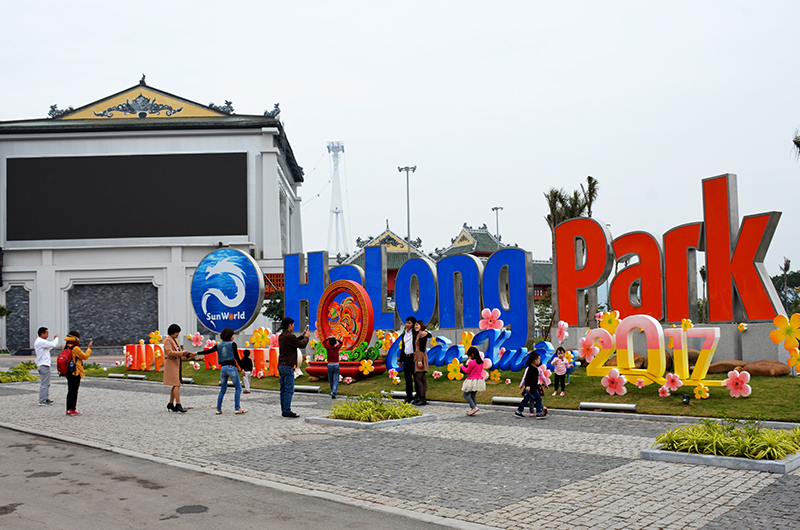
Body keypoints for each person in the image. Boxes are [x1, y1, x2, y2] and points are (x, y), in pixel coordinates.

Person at [202, 327, 247, 415]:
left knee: (222, 389)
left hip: (223, 368)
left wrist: (196, 353)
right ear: (230, 336)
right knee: (238, 387)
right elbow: (237, 358)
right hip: (232, 368)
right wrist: (242, 369)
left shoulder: (219, 345)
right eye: (233, 335)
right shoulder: (232, 344)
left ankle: (218, 408)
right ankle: (237, 407)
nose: (233, 336)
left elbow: (209, 352)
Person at [278, 317, 309, 418]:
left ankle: (284, 409)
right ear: (289, 325)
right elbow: (302, 345)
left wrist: (301, 336)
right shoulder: (289, 337)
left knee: (283, 389)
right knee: (289, 389)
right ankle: (287, 410)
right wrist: (306, 337)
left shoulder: (282, 336)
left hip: (281, 365)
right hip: (288, 366)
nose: (293, 327)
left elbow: (294, 341)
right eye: (293, 325)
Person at [163, 324, 196, 413]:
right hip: (171, 364)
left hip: (176, 364)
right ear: (172, 332)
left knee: (175, 384)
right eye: (176, 332)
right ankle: (178, 404)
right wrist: (182, 353)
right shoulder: (168, 341)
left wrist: (188, 354)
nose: (177, 334)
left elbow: (179, 352)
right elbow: (170, 353)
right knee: (177, 384)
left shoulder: (174, 340)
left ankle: (170, 403)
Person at [64, 331, 92, 416]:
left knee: (70, 391)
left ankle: (68, 409)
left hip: (68, 371)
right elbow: (84, 356)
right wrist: (89, 348)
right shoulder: (75, 348)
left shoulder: (66, 346)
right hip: (75, 372)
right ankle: (73, 409)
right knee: (74, 391)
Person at [516, 352, 547, 419]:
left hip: (532, 387)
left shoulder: (535, 369)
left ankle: (519, 411)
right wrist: (528, 385)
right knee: (538, 399)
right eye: (539, 360)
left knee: (526, 399)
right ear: (535, 361)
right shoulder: (531, 369)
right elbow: (527, 378)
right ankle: (539, 412)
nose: (539, 361)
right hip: (532, 388)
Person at [34, 327, 59, 406]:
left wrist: (54, 340)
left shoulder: (41, 342)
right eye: (47, 333)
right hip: (43, 365)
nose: (48, 335)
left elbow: (50, 346)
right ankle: (42, 400)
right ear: (42, 333)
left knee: (46, 383)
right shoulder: (40, 341)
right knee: (44, 384)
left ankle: (45, 398)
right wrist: (56, 338)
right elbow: (53, 344)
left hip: (44, 364)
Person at [396, 316, 418, 403]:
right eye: (406, 322)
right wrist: (401, 360)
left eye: (409, 323)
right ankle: (408, 396)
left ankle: (417, 396)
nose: (407, 325)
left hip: (414, 357)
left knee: (416, 378)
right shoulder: (404, 334)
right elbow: (403, 347)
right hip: (406, 357)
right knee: (407, 378)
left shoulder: (416, 333)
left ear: (413, 324)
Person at [460, 346, 486, 416]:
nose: (469, 357)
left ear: (472, 354)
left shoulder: (472, 362)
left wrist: (462, 366)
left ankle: (474, 407)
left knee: (465, 394)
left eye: (469, 355)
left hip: (471, 380)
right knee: (473, 395)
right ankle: (473, 409)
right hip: (478, 381)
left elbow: (467, 371)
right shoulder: (481, 362)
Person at [412, 321, 429, 406]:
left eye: (417, 325)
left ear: (421, 325)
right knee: (422, 378)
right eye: (415, 325)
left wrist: (419, 360)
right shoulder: (419, 334)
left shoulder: (422, 335)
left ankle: (422, 398)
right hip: (419, 356)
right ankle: (422, 397)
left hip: (421, 357)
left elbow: (421, 348)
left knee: (419, 378)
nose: (415, 326)